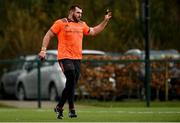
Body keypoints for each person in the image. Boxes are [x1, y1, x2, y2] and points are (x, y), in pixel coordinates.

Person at [38, 5, 112, 119]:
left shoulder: (82, 24)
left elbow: (93, 31)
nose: (80, 15)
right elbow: (48, 35)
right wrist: (43, 50)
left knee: (71, 84)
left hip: (77, 58)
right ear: (71, 12)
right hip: (64, 57)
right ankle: (72, 109)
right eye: (78, 13)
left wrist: (105, 21)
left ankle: (59, 107)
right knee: (71, 77)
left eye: (81, 13)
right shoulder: (60, 23)